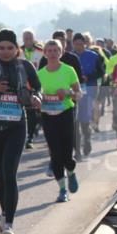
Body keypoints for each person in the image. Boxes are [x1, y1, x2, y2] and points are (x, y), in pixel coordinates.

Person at [0, 30, 42, 234]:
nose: (6, 52)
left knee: (9, 172)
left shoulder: (25, 66)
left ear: (16, 49)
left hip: (16, 125)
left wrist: (36, 97)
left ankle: (9, 224)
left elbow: (37, 87)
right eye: (1, 48)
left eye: (10, 48)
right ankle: (4, 212)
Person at [38, 39, 82, 201]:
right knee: (55, 154)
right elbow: (35, 96)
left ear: (61, 52)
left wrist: (68, 92)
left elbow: (79, 94)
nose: (52, 53)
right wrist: (39, 98)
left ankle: (71, 172)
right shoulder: (40, 74)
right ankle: (62, 190)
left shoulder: (69, 70)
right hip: (48, 115)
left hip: (65, 112)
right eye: (49, 50)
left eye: (55, 50)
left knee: (67, 154)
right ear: (44, 53)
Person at [72, 32, 106, 158]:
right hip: (74, 90)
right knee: (75, 119)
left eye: (80, 44)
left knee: (85, 119)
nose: (78, 47)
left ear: (85, 44)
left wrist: (88, 77)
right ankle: (77, 147)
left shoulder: (94, 56)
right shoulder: (70, 57)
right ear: (73, 44)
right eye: (76, 44)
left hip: (90, 88)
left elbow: (101, 72)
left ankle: (87, 140)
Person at [20, 29, 43, 149]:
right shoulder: (18, 51)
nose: (28, 40)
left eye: (30, 38)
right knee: (30, 112)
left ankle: (36, 129)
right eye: (25, 38)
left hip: (38, 85)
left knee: (37, 113)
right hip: (24, 86)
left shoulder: (41, 52)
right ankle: (29, 137)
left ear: (34, 39)